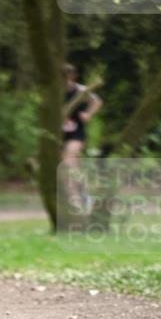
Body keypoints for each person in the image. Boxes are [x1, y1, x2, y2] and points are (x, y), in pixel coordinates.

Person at [61, 63, 102, 210]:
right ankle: (81, 197)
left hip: (77, 133)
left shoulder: (81, 90)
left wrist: (88, 114)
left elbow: (97, 101)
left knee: (68, 162)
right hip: (59, 134)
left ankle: (77, 200)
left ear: (72, 76)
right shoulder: (54, 92)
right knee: (69, 167)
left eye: (67, 77)